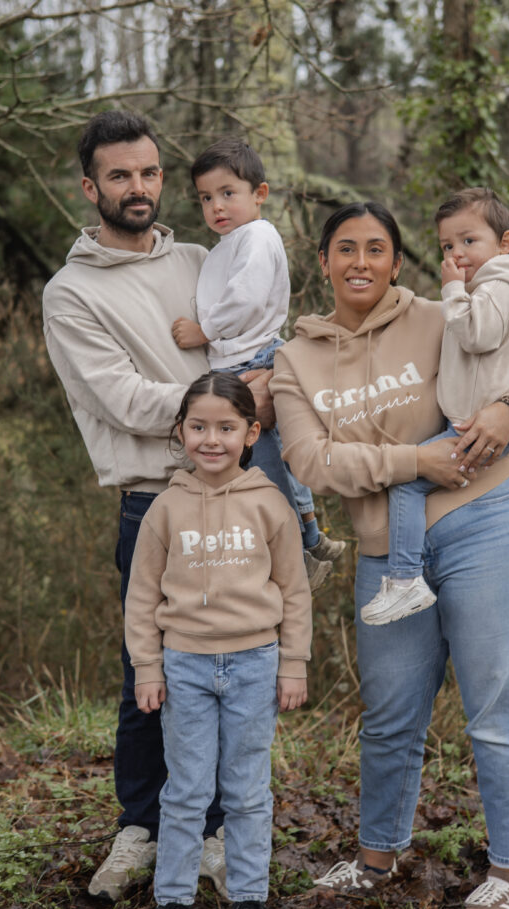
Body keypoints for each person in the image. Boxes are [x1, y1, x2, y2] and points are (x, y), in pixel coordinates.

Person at [270, 201, 509, 909]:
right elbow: (311, 460)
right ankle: (376, 857)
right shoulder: (294, 361)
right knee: (390, 718)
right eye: (344, 248)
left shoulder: (443, 315)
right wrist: (412, 460)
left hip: (485, 523)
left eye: (375, 248)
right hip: (384, 553)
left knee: (495, 706)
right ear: (325, 262)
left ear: (397, 262)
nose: (359, 261)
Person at [42, 110, 274, 902]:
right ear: (90, 186)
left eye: (147, 173)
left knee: (235, 666)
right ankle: (141, 828)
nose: (136, 188)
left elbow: (253, 334)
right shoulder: (70, 293)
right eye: (119, 176)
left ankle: (211, 834)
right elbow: (120, 399)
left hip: (242, 495)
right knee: (153, 671)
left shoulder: (206, 256)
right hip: (155, 502)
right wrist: (233, 409)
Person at [124, 371, 312, 909]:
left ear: (252, 432)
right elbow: (142, 595)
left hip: (256, 662)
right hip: (185, 666)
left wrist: (294, 663)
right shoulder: (164, 509)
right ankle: (174, 904)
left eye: (226, 427)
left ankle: (250, 897)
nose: (212, 439)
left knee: (248, 788)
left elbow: (294, 589)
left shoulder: (270, 504)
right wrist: (148, 667)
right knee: (185, 789)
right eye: (199, 426)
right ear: (180, 432)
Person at [361, 187, 509, 625]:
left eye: (469, 241)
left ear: (505, 243)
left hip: (475, 431)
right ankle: (407, 577)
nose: (457, 253)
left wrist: (452, 290)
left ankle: (405, 580)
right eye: (448, 245)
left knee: (408, 483)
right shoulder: (489, 289)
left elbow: (476, 335)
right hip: (463, 422)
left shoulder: (498, 289)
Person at [171, 137, 345, 591]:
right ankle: (310, 534)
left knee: (262, 466)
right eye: (206, 198)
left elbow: (244, 299)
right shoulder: (230, 243)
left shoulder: (257, 236)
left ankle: (296, 551)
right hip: (244, 357)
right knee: (279, 457)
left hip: (249, 360)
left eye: (228, 193)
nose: (216, 206)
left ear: (260, 194)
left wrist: (203, 330)